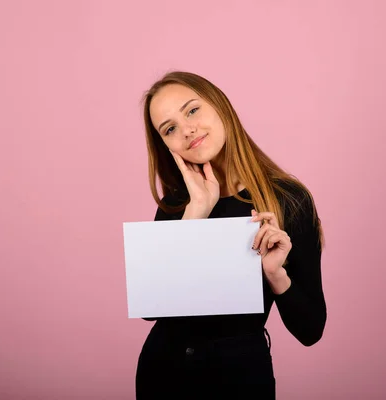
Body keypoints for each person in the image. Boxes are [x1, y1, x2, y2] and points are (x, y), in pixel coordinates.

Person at [134, 70, 327, 399]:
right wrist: (195, 213)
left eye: (192, 110)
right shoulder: (176, 206)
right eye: (170, 129)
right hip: (164, 373)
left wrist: (275, 274)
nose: (187, 130)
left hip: (240, 377)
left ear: (220, 105)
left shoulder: (288, 200)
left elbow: (310, 330)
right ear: (166, 145)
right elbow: (151, 309)